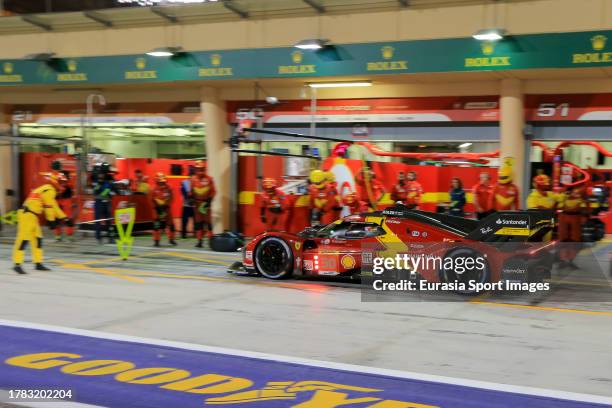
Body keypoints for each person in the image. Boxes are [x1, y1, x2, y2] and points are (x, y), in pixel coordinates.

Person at [12, 173, 68, 274]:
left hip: (31, 215)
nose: (63, 185)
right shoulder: (50, 190)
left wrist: (64, 218)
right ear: (56, 181)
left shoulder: (47, 188)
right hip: (27, 215)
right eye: (61, 182)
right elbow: (48, 206)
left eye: (64, 183)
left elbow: (53, 205)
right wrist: (51, 221)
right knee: (23, 239)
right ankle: (17, 263)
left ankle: (38, 263)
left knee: (37, 239)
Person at [557, 186, 588, 269]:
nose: (574, 194)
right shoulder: (564, 199)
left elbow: (585, 209)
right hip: (564, 221)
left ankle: (570, 261)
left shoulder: (581, 201)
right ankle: (563, 261)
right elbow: (559, 207)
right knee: (563, 241)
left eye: (577, 192)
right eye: (573, 192)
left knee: (574, 242)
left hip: (575, 221)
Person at [190, 160, 216, 248]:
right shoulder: (193, 179)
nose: (199, 170)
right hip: (197, 204)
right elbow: (191, 191)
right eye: (198, 169)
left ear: (204, 168)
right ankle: (199, 241)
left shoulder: (209, 179)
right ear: (195, 169)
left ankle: (211, 241)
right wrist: (190, 198)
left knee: (208, 223)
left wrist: (209, 201)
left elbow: (213, 191)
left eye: (201, 169)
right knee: (198, 223)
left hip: (206, 204)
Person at [152, 172, 177, 247]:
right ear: (156, 181)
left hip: (167, 209)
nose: (162, 183)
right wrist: (156, 208)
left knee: (171, 225)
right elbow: (150, 200)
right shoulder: (153, 189)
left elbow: (172, 198)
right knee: (156, 225)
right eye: (160, 182)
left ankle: (171, 239)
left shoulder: (169, 188)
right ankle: (156, 240)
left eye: (163, 182)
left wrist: (167, 206)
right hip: (157, 210)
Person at [93, 164, 116, 244]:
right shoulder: (97, 181)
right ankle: (99, 238)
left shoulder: (109, 180)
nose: (102, 174)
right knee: (98, 221)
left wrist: (110, 192)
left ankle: (111, 237)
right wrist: (107, 192)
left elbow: (113, 190)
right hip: (99, 203)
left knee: (109, 221)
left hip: (106, 203)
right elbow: (96, 192)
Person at [54, 171, 76, 242]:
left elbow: (70, 190)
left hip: (66, 201)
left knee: (68, 218)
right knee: (58, 219)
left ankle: (69, 235)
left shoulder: (69, 183)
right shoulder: (58, 182)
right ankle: (58, 235)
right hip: (60, 201)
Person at [180, 167, 195, 239]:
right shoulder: (184, 182)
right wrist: (189, 199)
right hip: (187, 205)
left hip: (194, 205)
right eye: (191, 175)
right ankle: (183, 234)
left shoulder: (196, 182)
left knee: (196, 220)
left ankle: (196, 233)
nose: (192, 177)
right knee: (185, 220)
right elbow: (183, 192)